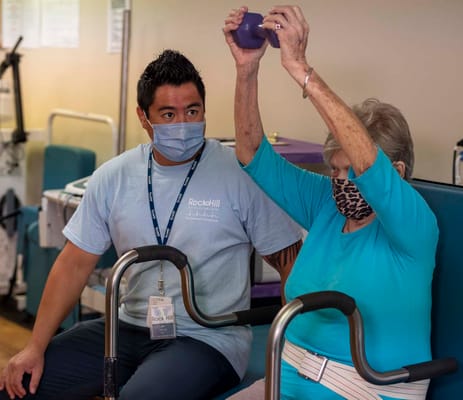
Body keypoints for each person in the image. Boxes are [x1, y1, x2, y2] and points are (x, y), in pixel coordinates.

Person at [0, 49, 302, 400]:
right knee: (17, 387)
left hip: (208, 337)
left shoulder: (239, 174)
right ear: (144, 118)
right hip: (127, 327)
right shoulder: (114, 177)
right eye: (168, 114)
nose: (183, 125)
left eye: (192, 111)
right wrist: (35, 346)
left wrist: (297, 350)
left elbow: (290, 260)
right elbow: (73, 264)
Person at [223, 6, 438, 400]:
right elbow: (253, 154)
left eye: (349, 170)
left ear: (399, 171)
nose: (340, 181)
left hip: (365, 388)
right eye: (334, 169)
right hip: (288, 371)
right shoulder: (325, 204)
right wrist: (247, 69)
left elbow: (370, 164)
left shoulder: (413, 224)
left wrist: (299, 67)